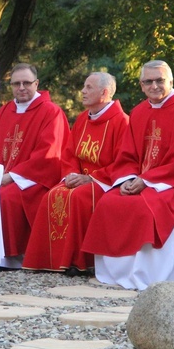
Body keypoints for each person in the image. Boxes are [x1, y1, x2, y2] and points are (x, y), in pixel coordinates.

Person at [81, 60, 174, 290]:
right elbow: (127, 155)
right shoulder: (139, 113)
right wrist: (127, 179)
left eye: (160, 80)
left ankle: (147, 275)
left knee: (143, 208)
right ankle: (116, 273)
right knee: (108, 202)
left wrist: (147, 180)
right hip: (145, 182)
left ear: (171, 81)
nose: (154, 86)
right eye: (148, 81)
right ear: (141, 85)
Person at [22, 72, 129, 274]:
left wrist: (90, 178)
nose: (83, 91)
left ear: (105, 92)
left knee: (78, 198)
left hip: (104, 182)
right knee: (52, 195)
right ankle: (50, 260)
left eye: (89, 87)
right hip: (79, 178)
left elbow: (123, 162)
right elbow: (69, 153)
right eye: (84, 86)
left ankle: (78, 262)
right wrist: (71, 174)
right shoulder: (82, 119)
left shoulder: (121, 122)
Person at [0, 63, 69, 268]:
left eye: (27, 83)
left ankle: (10, 258)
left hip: (35, 179)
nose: (22, 87)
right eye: (16, 83)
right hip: (3, 175)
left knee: (5, 197)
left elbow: (49, 154)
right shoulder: (6, 110)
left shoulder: (51, 112)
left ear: (36, 84)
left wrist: (11, 177)